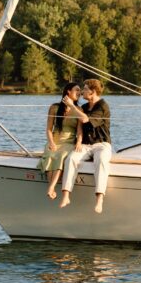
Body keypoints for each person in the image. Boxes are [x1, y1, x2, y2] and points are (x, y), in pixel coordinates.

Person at [59, 78, 112, 214]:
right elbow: (80, 126)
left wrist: (71, 106)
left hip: (101, 144)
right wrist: (78, 141)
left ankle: (99, 199)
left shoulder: (102, 106)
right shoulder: (84, 107)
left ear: (93, 92)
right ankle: (66, 195)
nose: (82, 91)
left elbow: (85, 119)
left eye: (85, 89)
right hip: (86, 144)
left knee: (101, 160)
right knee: (71, 159)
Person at [37, 81, 83, 199]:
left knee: (62, 155)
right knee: (51, 154)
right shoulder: (54, 107)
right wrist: (51, 142)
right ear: (68, 91)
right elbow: (48, 129)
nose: (79, 92)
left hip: (69, 140)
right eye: (77, 90)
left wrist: (78, 142)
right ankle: (51, 188)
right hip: (55, 139)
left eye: (80, 90)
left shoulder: (79, 109)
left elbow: (79, 130)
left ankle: (51, 188)